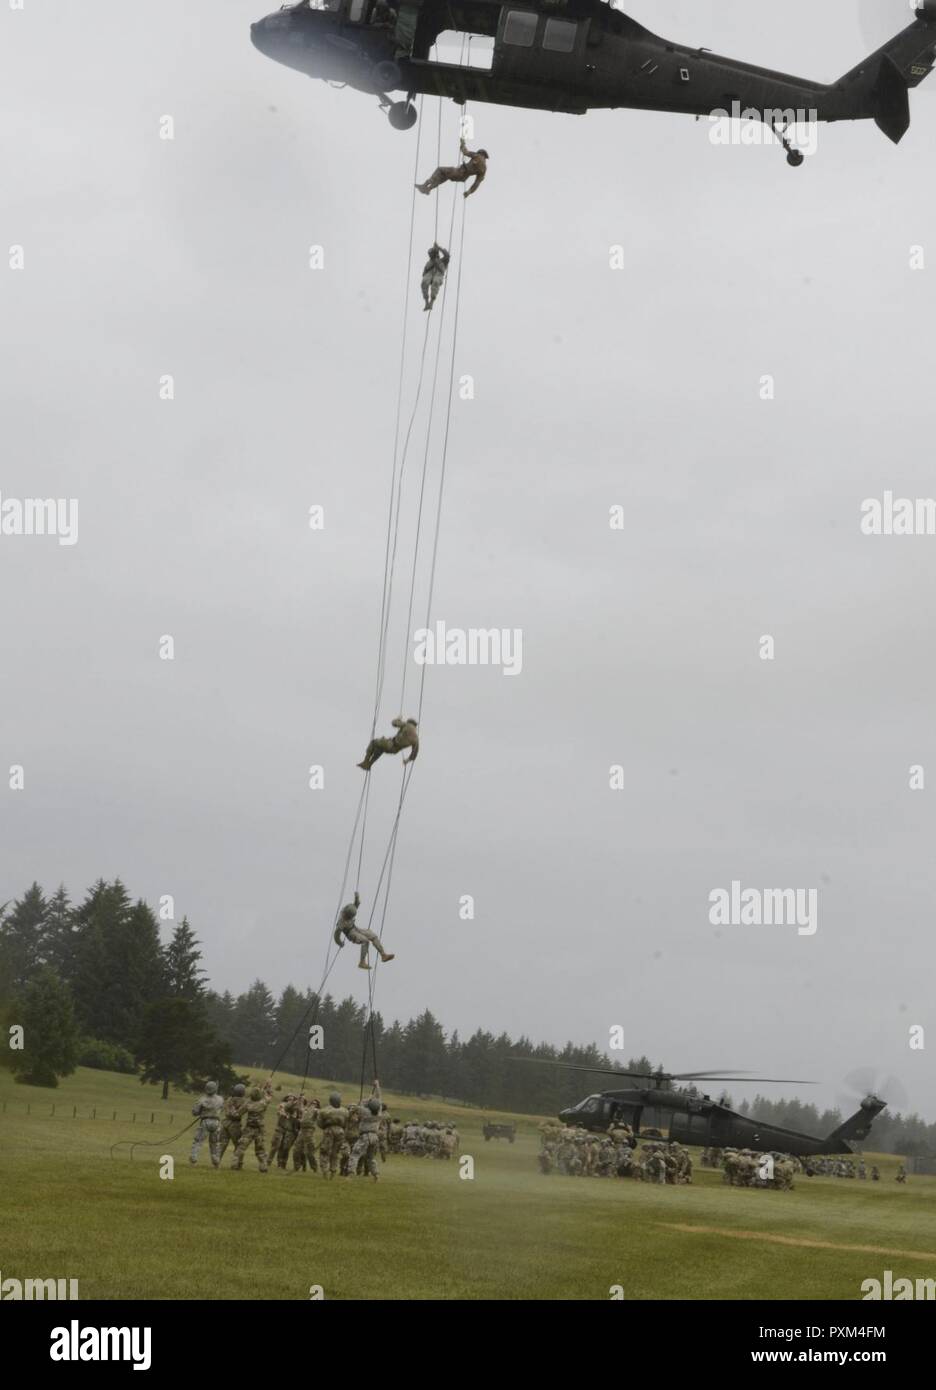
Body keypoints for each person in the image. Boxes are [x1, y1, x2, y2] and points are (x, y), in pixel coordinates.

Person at [333, 891, 395, 969]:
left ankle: (383, 955)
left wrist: (356, 897)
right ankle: (362, 962)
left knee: (373, 936)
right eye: (348, 917)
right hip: (350, 933)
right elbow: (336, 935)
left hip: (355, 928)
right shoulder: (341, 923)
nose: (349, 918)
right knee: (365, 941)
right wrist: (340, 943)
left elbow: (356, 904)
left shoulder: (349, 909)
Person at [416, 140, 488, 199]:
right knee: (443, 176)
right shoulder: (484, 169)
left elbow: (465, 152)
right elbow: (476, 184)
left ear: (481, 153)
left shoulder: (477, 156)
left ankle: (425, 184)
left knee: (440, 170)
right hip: (462, 177)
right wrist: (468, 192)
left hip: (459, 171)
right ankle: (428, 189)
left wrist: (462, 143)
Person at [232, 1085, 272, 1173]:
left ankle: (235, 1163)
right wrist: (267, 1088)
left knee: (241, 1147)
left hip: (249, 1128)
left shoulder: (248, 1103)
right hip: (259, 1130)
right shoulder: (263, 1103)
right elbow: (269, 1097)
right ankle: (263, 1166)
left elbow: (238, 1113)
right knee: (260, 1149)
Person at [350, 1082, 383, 1181]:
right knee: (370, 1158)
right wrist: (377, 1086)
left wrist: (366, 1100)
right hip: (375, 1137)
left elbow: (356, 1106)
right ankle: (376, 1175)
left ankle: (350, 1174)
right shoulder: (379, 1112)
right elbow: (379, 1098)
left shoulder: (366, 1112)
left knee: (355, 1154)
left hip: (365, 1136)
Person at [190, 1080, 224, 1167]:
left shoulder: (202, 1099)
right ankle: (216, 1162)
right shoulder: (220, 1099)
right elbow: (221, 1108)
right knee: (215, 1143)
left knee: (198, 1141)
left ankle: (193, 1160)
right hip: (216, 1122)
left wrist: (200, 1111)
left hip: (205, 1122)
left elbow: (195, 1112)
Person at [217, 1083, 248, 1163]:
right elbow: (244, 1109)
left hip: (225, 1123)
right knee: (238, 1145)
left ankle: (216, 1161)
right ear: (242, 1092)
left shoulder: (229, 1099)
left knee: (222, 1143)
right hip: (235, 1125)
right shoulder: (244, 1101)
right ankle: (237, 1163)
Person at [420, 243, 450, 311]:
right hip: (429, 274)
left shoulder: (443, 261)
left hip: (438, 274)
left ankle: (431, 302)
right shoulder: (429, 263)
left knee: (436, 282)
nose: (431, 256)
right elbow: (424, 272)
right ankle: (426, 302)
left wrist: (439, 247)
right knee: (424, 282)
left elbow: (447, 255)